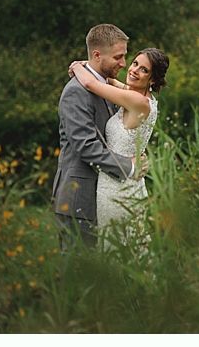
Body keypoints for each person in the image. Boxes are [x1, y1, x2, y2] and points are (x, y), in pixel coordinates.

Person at [52, 24, 147, 251]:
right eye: (118, 57)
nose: (124, 64)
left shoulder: (104, 86)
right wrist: (129, 167)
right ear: (96, 55)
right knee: (77, 276)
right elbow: (86, 146)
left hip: (103, 197)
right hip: (78, 197)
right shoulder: (76, 91)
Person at [68, 46, 169, 253]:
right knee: (126, 246)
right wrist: (100, 71)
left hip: (117, 188)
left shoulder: (136, 101)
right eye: (134, 63)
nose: (133, 70)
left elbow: (89, 83)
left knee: (116, 248)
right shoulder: (141, 98)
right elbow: (115, 83)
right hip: (125, 181)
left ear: (152, 80)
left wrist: (78, 66)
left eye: (144, 70)